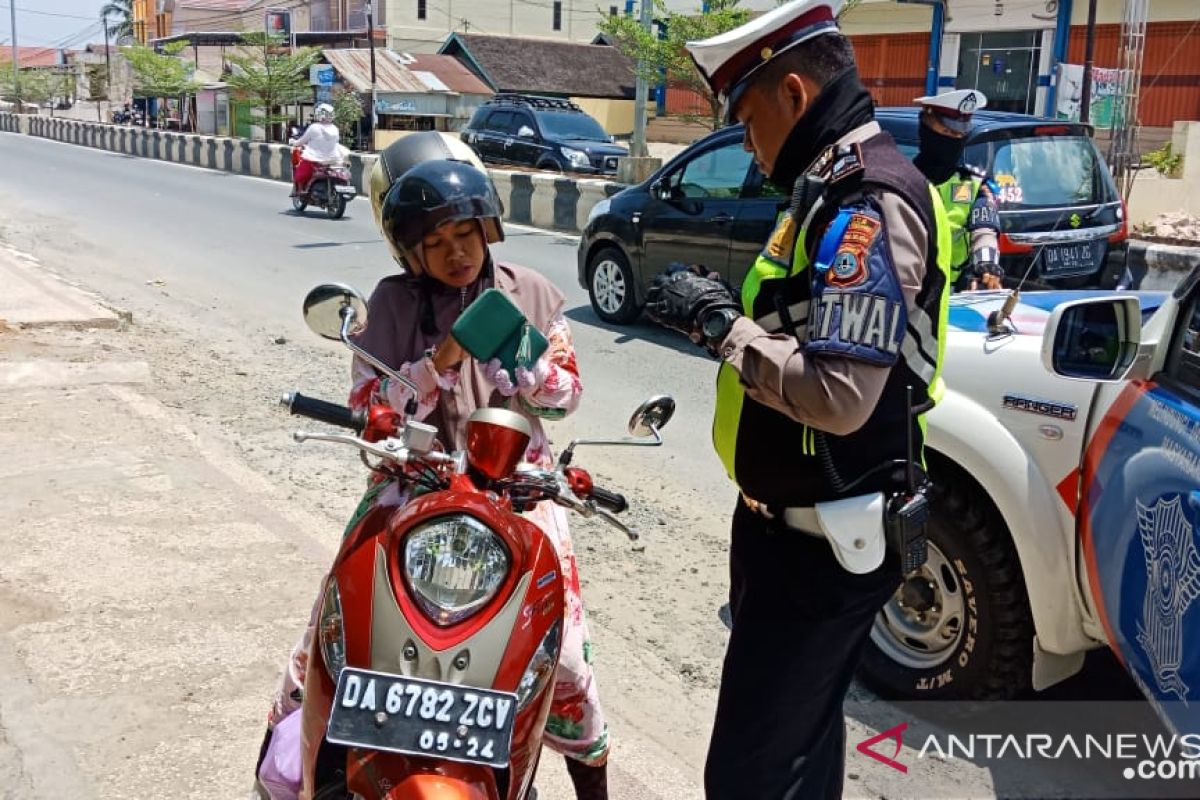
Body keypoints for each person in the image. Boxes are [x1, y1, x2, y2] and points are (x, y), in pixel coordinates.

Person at [645, 1, 952, 797]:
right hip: (795, 532)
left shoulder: (864, 202)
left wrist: (721, 326)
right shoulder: (825, 188)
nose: (747, 147)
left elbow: (842, 395)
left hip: (825, 543)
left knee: (750, 777)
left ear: (792, 93)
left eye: (748, 121)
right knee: (797, 760)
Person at [259, 134, 611, 800]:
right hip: (410, 485)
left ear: (487, 229)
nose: (457, 253)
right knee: (333, 628)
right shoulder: (388, 307)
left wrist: (531, 371)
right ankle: (296, 764)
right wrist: (438, 362)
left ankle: (590, 776)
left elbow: (567, 397)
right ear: (409, 248)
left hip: (518, 490)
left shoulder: (528, 295)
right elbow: (367, 408)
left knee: (560, 651)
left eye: (466, 235)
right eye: (438, 240)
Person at [913, 89, 1004, 291]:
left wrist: (986, 265)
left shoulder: (974, 184)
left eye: (959, 135)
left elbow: (984, 230)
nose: (953, 140)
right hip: (908, 288)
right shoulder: (901, 179)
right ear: (925, 127)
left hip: (954, 293)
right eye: (946, 132)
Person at [288, 103, 342, 197]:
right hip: (333, 159)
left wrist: (294, 143)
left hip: (315, 159)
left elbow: (302, 141)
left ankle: (300, 190)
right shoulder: (335, 129)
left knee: (301, 171)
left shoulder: (314, 127)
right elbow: (336, 141)